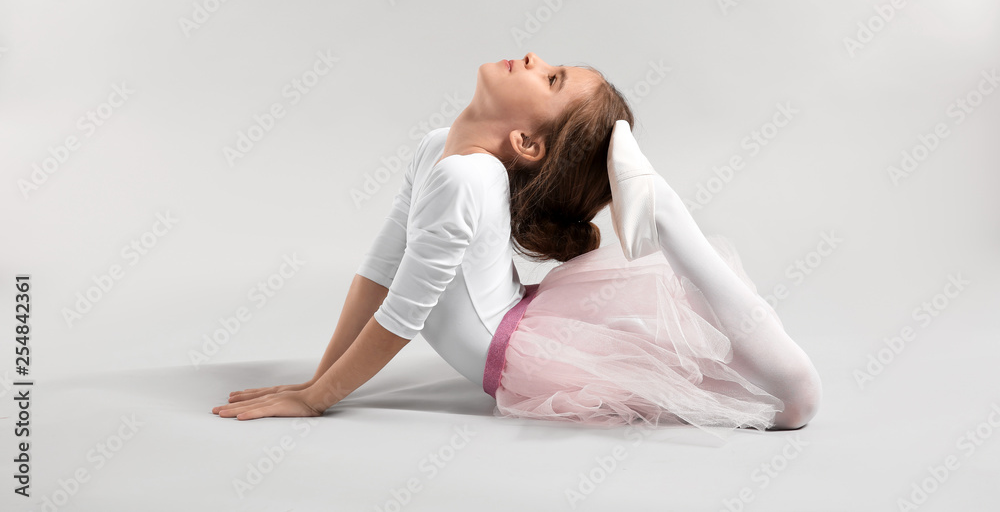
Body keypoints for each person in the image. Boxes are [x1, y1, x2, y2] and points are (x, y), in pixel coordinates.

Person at [211, 52, 822, 434]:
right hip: (533, 318)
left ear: (527, 143)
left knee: (774, 395)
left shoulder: (459, 177)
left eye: (551, 77)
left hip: (521, 348)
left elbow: (404, 312)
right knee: (695, 362)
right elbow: (379, 272)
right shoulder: (437, 149)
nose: (532, 56)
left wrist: (319, 398)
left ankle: (666, 212)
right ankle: (666, 215)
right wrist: (314, 380)